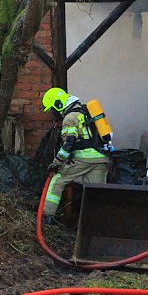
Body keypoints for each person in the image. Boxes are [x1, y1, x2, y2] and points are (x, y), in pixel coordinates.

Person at [41, 87, 114, 225]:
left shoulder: (69, 118)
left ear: (58, 104)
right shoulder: (86, 111)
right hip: (102, 159)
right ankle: (96, 226)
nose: (53, 113)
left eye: (53, 109)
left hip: (83, 159)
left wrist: (56, 163)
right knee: (96, 194)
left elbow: (69, 143)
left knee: (57, 180)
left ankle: (46, 216)